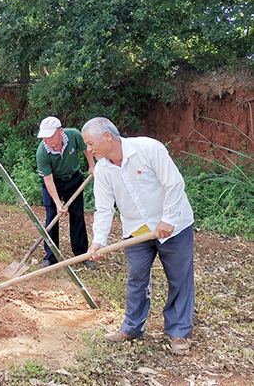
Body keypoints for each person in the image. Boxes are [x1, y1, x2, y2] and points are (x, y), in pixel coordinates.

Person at [81, 117, 195, 355]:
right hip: (136, 229)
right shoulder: (102, 169)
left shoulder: (149, 149)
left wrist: (168, 219)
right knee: (136, 278)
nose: (88, 150)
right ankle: (132, 327)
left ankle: (178, 331)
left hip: (174, 225)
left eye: (91, 144)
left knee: (179, 278)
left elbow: (174, 184)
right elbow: (104, 208)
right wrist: (98, 241)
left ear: (108, 137)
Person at [36, 116, 95, 268]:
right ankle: (51, 257)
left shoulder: (74, 135)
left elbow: (86, 148)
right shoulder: (42, 152)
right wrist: (57, 203)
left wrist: (92, 165)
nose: (46, 140)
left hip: (73, 180)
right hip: (53, 183)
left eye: (49, 136)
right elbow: (48, 180)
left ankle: (81, 255)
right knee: (51, 218)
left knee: (77, 217)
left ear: (60, 131)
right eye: (44, 137)